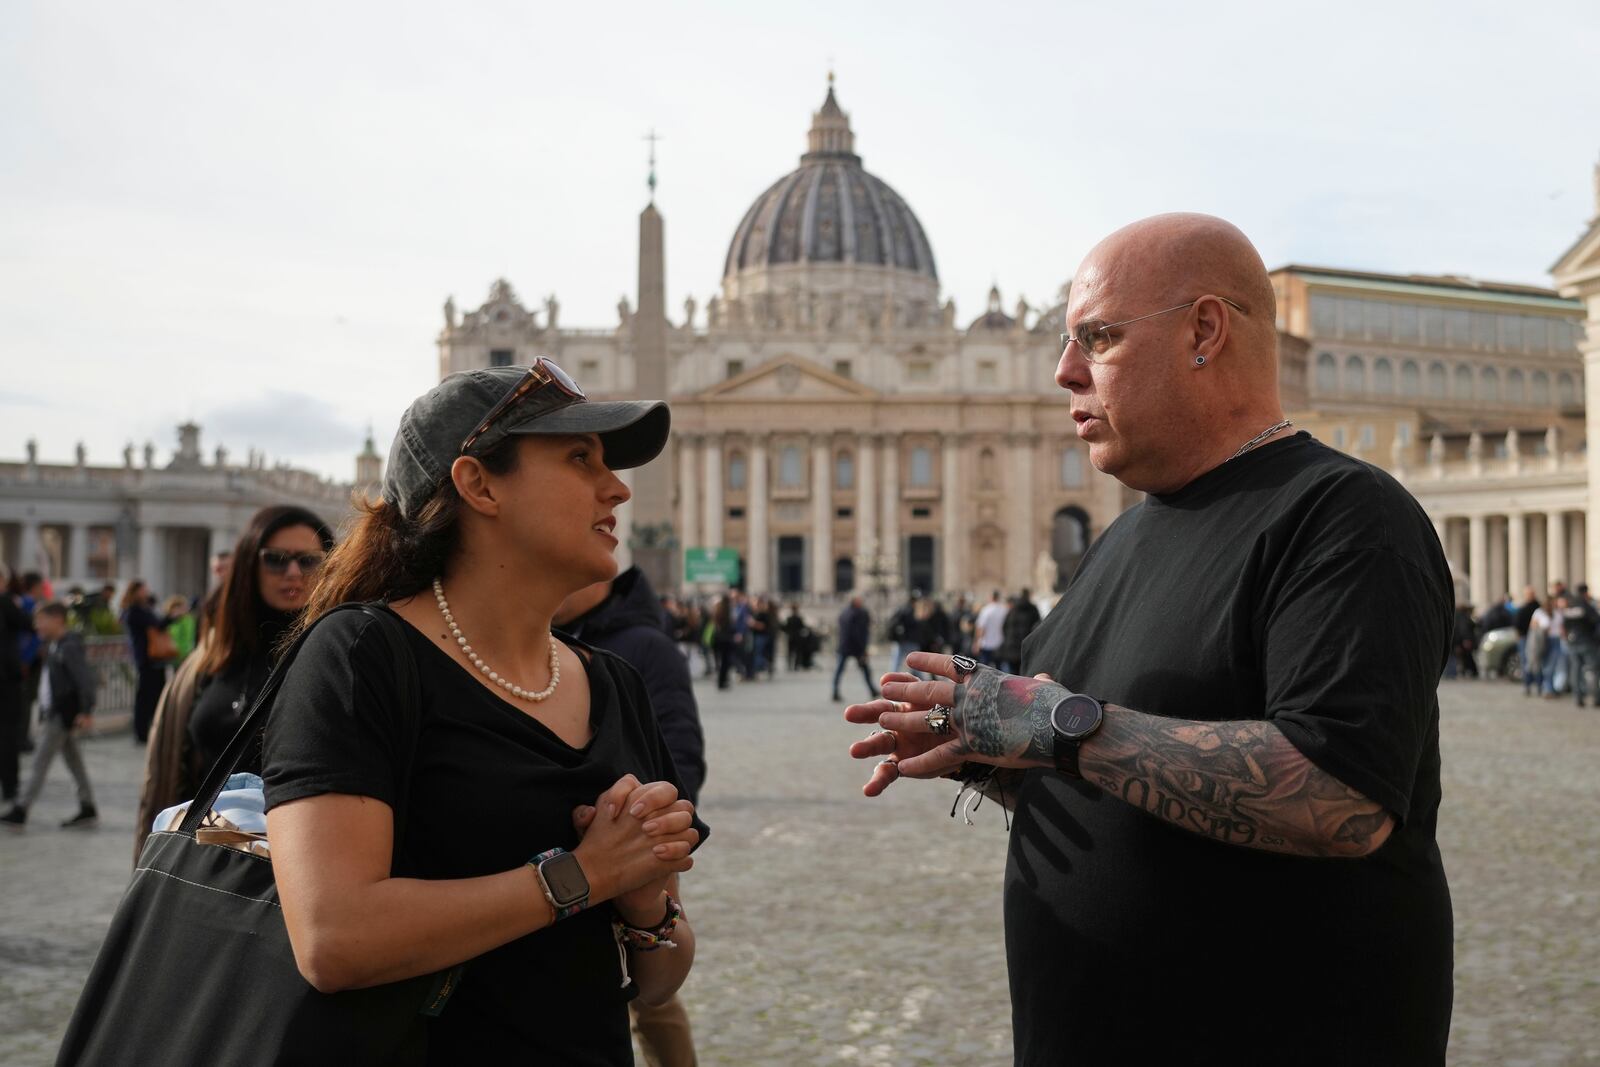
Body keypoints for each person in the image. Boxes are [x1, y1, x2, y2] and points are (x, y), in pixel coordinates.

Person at [846, 214, 1454, 1064]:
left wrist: (1051, 723)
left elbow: (1341, 796)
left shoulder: (1344, 517)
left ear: (1204, 331)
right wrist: (988, 751)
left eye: (1096, 337)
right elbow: (1116, 776)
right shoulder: (1122, 540)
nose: (1063, 371)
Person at [261, 362, 704, 1062]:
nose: (616, 486)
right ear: (479, 484)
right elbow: (333, 938)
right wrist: (582, 876)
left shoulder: (615, 683)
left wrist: (647, 902)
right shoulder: (359, 656)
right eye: (580, 458)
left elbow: (656, 981)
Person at [556, 564, 707, 1067]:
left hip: (626, 848)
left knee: (653, 997)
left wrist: (654, 817)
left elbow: (678, 749)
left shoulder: (643, 648)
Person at [135, 505, 335, 859]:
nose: (293, 572)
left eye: (308, 561)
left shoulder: (343, 657)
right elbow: (168, 779)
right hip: (204, 861)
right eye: (276, 559)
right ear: (249, 567)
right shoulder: (209, 661)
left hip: (298, 866)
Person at [3, 601, 97, 829]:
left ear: (57, 619)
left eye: (41, 620)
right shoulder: (55, 645)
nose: (37, 626)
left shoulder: (69, 646)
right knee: (74, 762)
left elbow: (84, 681)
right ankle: (87, 806)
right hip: (56, 713)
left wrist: (86, 710)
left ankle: (21, 808)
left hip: (61, 714)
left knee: (40, 762)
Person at [120, 579, 176, 743]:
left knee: (155, 695)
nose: (147, 592)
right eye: (143, 590)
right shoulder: (135, 611)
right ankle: (142, 733)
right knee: (145, 697)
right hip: (147, 659)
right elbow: (158, 624)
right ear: (136, 592)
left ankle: (153, 730)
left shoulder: (143, 608)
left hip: (153, 659)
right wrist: (172, 616)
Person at [0, 565, 34, 803]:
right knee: (8, 733)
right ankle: (10, 786)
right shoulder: (6, 602)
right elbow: (29, 625)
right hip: (6, 678)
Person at [831, 596, 877, 703]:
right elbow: (859, 633)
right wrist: (863, 649)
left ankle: (835, 691)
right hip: (856, 647)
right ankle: (872, 690)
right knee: (865, 669)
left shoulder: (844, 612)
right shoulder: (860, 613)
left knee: (839, 670)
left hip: (844, 646)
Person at [1560, 584, 1599, 706]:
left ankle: (1578, 697)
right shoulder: (1586, 606)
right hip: (1587, 642)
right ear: (1585, 592)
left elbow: (1564, 625)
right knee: (1592, 669)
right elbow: (1596, 622)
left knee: (1576, 670)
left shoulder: (1569, 607)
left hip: (1573, 642)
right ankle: (1595, 697)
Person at [997, 588, 1041, 673]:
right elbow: (1038, 627)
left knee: (1012, 675)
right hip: (1026, 648)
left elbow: (1004, 628)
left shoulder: (1012, 610)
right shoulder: (1033, 609)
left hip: (1011, 648)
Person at [1513, 585, 1539, 691]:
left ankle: (1533, 684)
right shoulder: (1532, 607)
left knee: (1530, 661)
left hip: (1531, 637)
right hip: (1525, 637)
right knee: (1528, 661)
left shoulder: (1535, 608)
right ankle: (1530, 684)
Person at [1524, 596, 1551, 697]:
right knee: (1533, 665)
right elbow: (1534, 626)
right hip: (1536, 642)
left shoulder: (1552, 613)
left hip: (1546, 642)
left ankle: (1540, 686)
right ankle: (1532, 686)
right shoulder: (1539, 613)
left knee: (1541, 665)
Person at [972, 589, 1007, 665]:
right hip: (999, 643)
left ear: (991, 597)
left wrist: (977, 642)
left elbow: (981, 628)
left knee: (985, 669)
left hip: (986, 644)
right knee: (1000, 670)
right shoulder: (1004, 609)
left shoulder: (986, 610)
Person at [162, 595, 198, 661]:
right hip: (171, 654)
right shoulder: (168, 621)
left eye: (181, 607)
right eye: (176, 608)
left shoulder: (188, 619)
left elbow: (190, 637)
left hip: (186, 654)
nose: (180, 610)